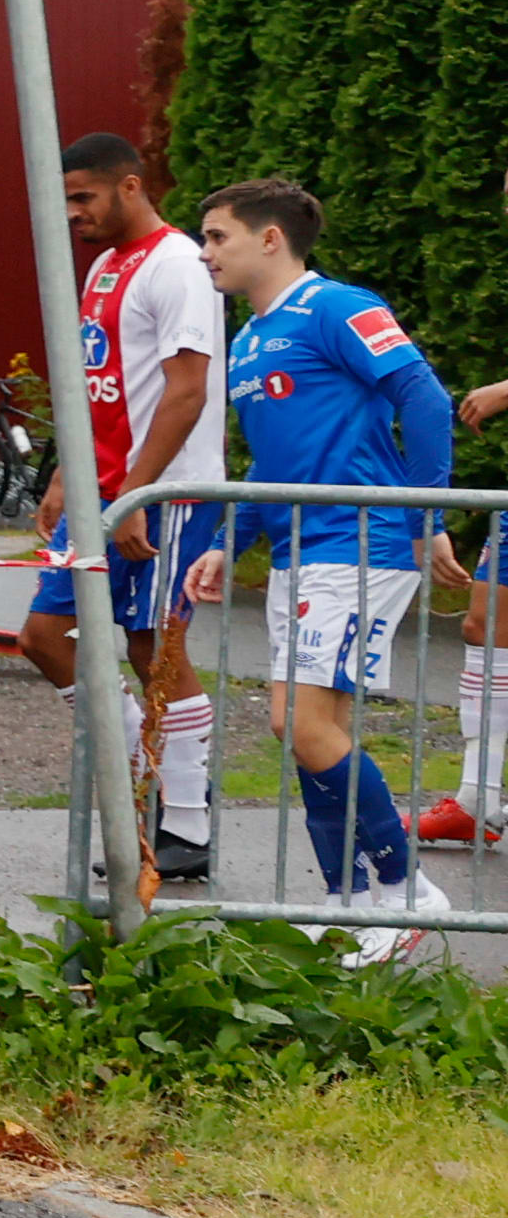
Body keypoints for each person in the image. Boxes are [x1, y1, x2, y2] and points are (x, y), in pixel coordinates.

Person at [176, 177, 452, 966]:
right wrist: (232, 539)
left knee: (298, 723)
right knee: (307, 730)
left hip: (358, 542)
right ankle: (346, 902)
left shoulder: (337, 306)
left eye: (218, 236)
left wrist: (428, 515)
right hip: (300, 551)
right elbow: (273, 458)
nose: (205, 253)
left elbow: (424, 397)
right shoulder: (249, 338)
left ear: (271, 238)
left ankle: (404, 891)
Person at [37, 133, 226, 886]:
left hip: (163, 493)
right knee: (45, 636)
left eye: (83, 196)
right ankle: (146, 775)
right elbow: (97, 383)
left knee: (155, 650)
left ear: (130, 187)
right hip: (103, 489)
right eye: (66, 199)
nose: (73, 213)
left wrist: (136, 493)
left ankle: (187, 821)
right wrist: (65, 471)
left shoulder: (177, 263)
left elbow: (187, 390)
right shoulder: (104, 267)